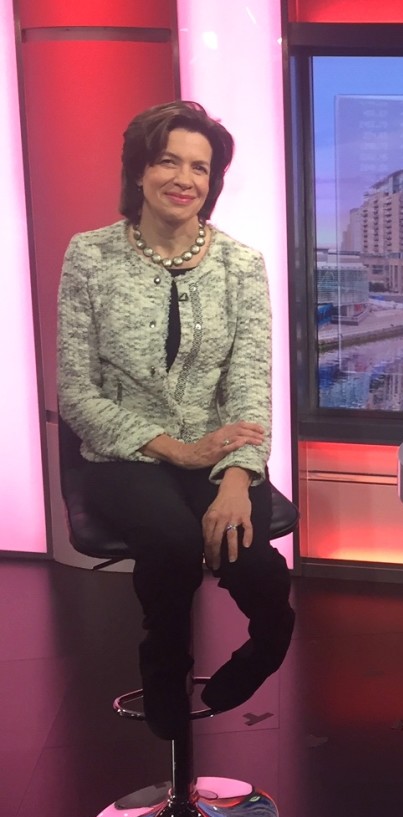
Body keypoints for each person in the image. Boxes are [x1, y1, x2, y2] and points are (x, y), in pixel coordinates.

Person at [57, 101, 295, 741]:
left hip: (220, 451)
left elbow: (250, 383)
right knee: (170, 542)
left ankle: (269, 644)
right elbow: (76, 394)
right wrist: (176, 451)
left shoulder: (241, 265)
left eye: (200, 166)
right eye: (168, 161)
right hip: (125, 451)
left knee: (259, 572)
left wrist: (237, 478)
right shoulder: (90, 256)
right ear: (139, 170)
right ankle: (165, 666)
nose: (184, 178)